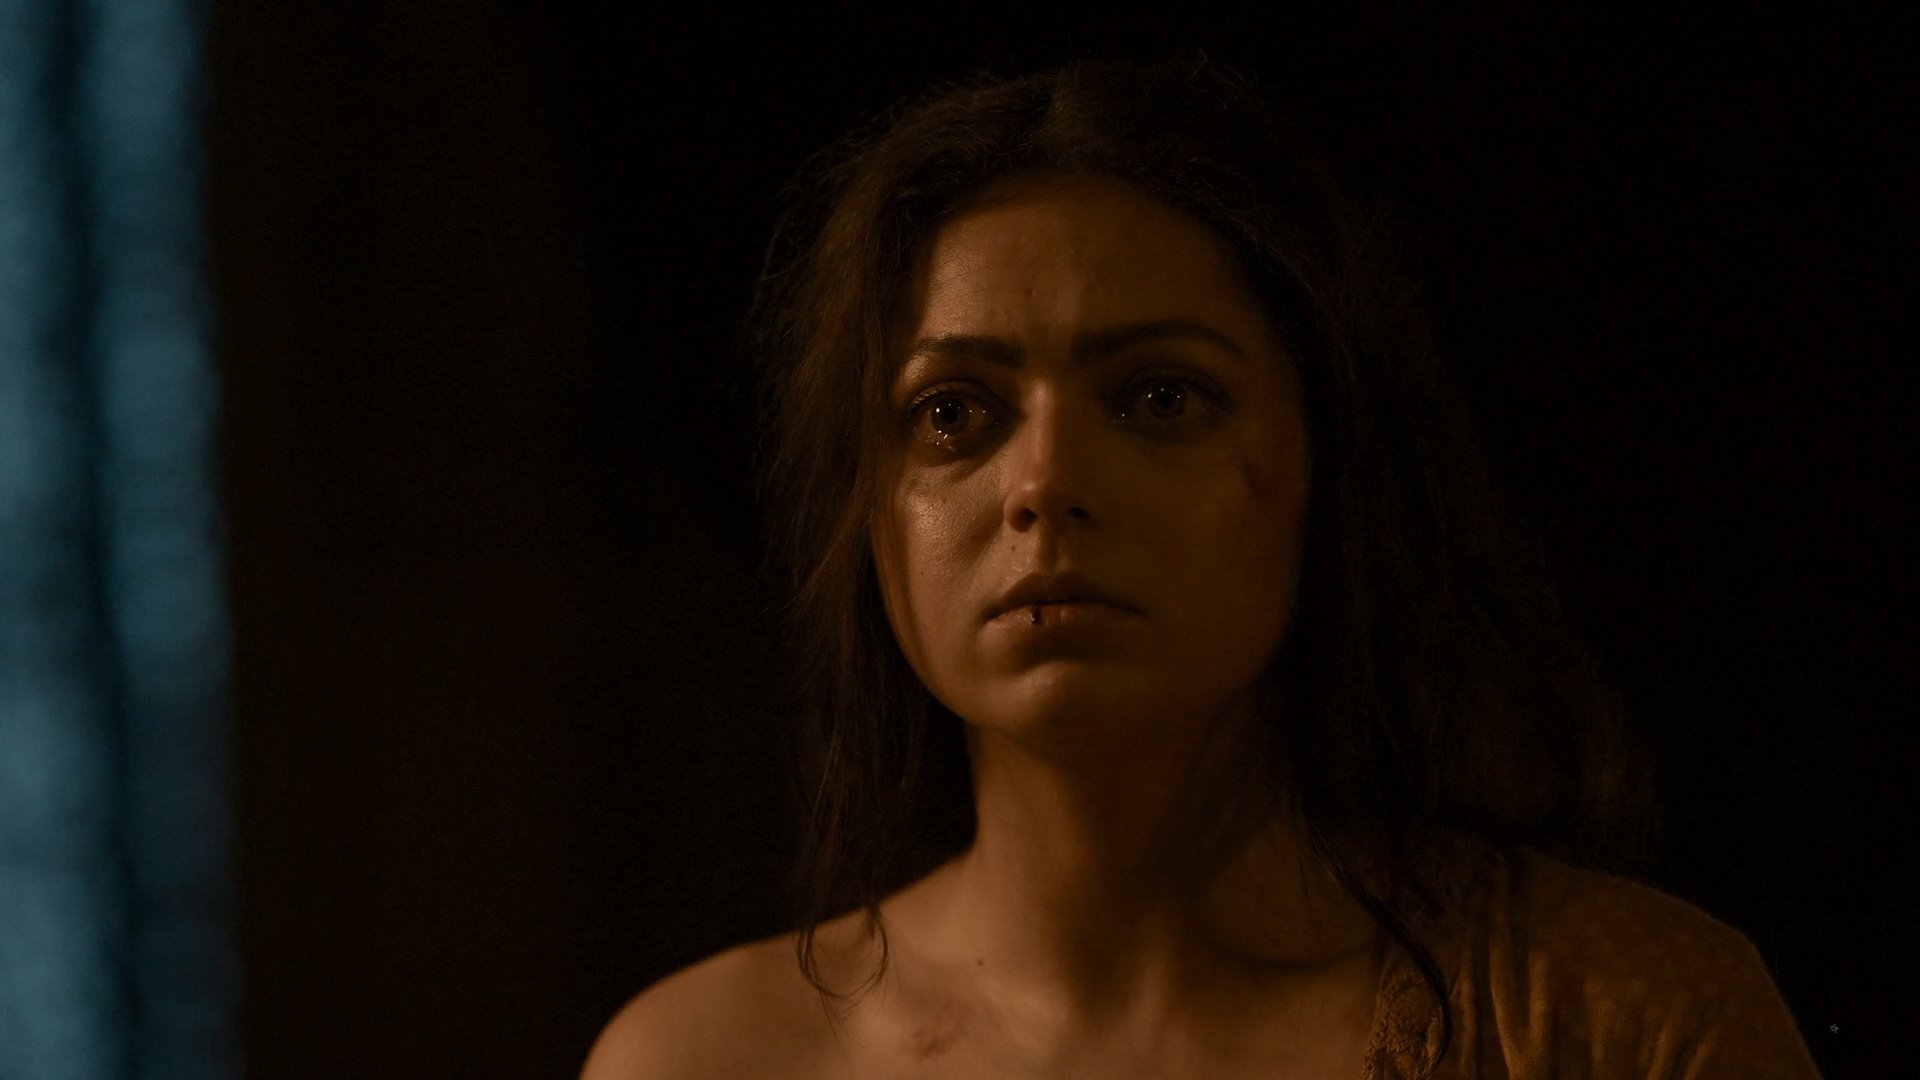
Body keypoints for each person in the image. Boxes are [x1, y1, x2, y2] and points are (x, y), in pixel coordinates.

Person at [583, 50, 1824, 1079]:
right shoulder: (705, 1059)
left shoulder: (1624, 1024)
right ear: (869, 511)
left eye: (1160, 397)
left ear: (1327, 464)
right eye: (954, 413)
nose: (1044, 482)